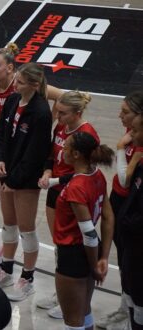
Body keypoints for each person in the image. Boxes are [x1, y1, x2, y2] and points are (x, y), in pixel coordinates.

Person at [0, 43, 63, 270]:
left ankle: (5, 253)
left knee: (18, 207)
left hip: (24, 142)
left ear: (10, 69)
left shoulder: (22, 89)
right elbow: (1, 125)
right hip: (3, 141)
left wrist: (48, 122)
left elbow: (62, 96)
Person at [36, 91, 100, 317]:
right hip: (56, 193)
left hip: (74, 194)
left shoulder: (87, 135)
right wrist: (47, 170)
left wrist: (54, 179)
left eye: (63, 113)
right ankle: (61, 293)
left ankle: (75, 297)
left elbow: (86, 173)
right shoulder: (60, 128)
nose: (58, 116)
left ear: (78, 113)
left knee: (72, 244)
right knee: (59, 242)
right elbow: (52, 155)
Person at [0, 62, 53, 301]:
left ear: (35, 85)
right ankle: (6, 269)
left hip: (25, 179)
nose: (14, 85)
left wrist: (15, 180)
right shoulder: (12, 101)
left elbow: (35, 154)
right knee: (8, 225)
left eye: (19, 82)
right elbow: (0, 134)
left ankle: (27, 277)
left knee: (26, 228)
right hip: (7, 173)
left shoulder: (41, 112)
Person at [53, 132, 114, 330]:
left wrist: (94, 267)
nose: (62, 149)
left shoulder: (76, 187)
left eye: (67, 146)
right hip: (91, 250)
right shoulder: (97, 175)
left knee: (73, 321)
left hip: (73, 253)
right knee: (84, 312)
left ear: (77, 154)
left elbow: (87, 233)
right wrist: (102, 257)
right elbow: (108, 217)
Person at [97, 90, 143, 329]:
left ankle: (132, 313)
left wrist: (118, 148)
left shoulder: (138, 142)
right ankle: (125, 308)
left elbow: (126, 180)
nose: (120, 116)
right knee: (124, 258)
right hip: (118, 201)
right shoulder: (133, 132)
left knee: (132, 261)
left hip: (131, 206)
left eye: (126, 113)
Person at [117, 113, 143, 330]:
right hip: (132, 239)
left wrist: (126, 223)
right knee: (133, 291)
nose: (130, 135)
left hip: (138, 240)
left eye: (135, 131)